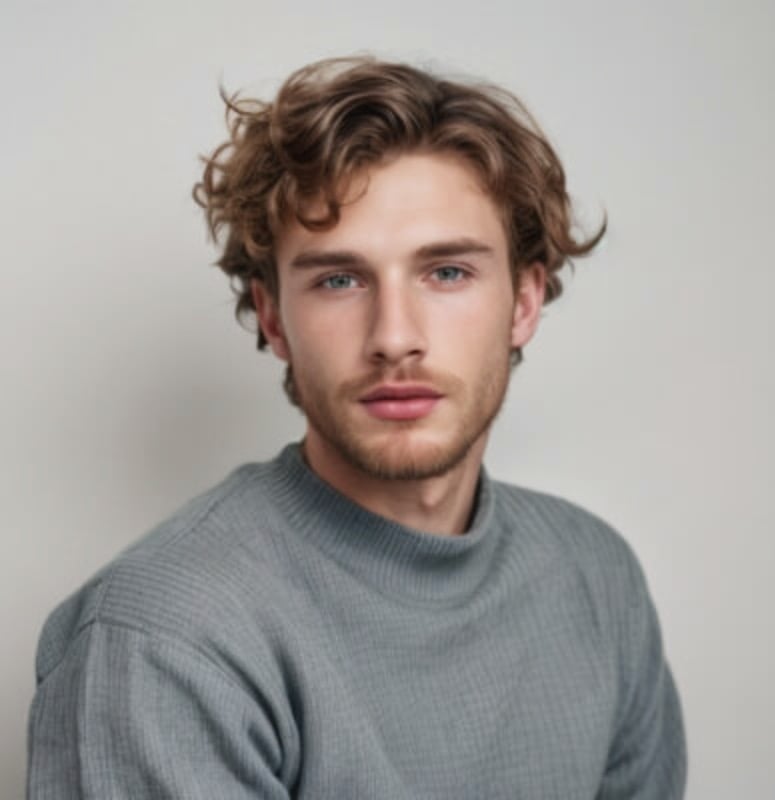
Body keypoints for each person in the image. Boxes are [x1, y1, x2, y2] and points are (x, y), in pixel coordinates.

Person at [27, 56, 687, 798]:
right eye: (339, 280)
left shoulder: (596, 576)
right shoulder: (164, 635)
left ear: (525, 303)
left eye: (447, 272)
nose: (395, 336)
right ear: (274, 317)